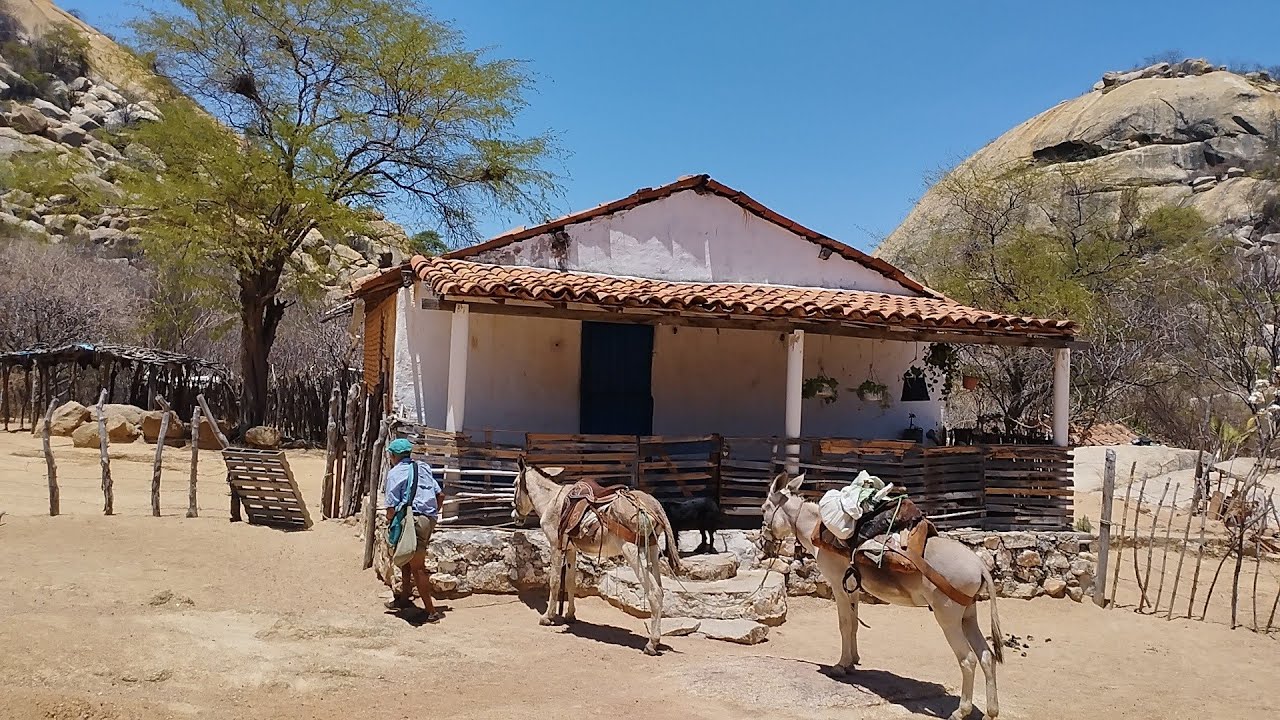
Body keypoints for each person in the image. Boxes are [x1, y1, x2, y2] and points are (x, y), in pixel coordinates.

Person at [383, 438, 445, 622]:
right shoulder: (423, 467)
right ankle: (404, 599)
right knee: (407, 558)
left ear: (393, 456)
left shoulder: (395, 473)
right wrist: (431, 518)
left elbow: (391, 507)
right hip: (427, 518)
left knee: (417, 566)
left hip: (413, 520)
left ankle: (431, 611)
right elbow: (440, 494)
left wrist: (391, 523)